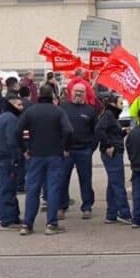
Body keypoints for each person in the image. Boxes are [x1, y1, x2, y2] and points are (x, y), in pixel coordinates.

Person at [17, 84, 72, 236]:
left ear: (39, 95)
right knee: (53, 188)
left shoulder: (31, 111)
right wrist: (63, 146)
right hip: (54, 154)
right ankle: (51, 224)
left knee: (32, 189)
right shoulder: (58, 111)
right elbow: (68, 130)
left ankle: (27, 224)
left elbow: (17, 130)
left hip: (35, 154)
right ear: (53, 96)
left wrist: (24, 149)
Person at [60, 83, 98, 220]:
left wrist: (91, 148)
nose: (78, 93)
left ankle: (87, 207)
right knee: (62, 180)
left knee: (86, 180)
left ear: (85, 93)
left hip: (84, 150)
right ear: (71, 92)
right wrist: (61, 148)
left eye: (81, 91)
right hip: (66, 152)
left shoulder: (90, 110)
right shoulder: (63, 108)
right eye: (76, 91)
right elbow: (58, 129)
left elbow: (96, 132)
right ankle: (61, 207)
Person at [96, 94, 133, 225]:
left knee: (113, 184)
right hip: (112, 152)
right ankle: (124, 213)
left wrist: (123, 132)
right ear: (113, 103)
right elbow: (99, 130)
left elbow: (112, 132)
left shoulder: (112, 116)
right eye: (120, 102)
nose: (122, 105)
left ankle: (111, 213)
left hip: (114, 150)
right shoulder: (109, 115)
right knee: (117, 183)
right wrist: (108, 145)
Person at [0, 93, 24, 230]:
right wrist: (17, 157)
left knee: (5, 187)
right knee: (8, 188)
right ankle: (8, 220)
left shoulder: (0, 117)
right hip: (8, 157)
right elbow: (12, 140)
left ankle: (12, 216)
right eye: (18, 104)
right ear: (11, 104)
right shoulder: (11, 119)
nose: (21, 107)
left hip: (0, 156)